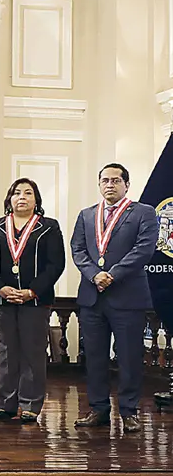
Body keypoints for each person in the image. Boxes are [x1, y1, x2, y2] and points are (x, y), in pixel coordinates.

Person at [70, 163, 159, 433]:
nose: (110, 184)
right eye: (105, 180)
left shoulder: (143, 212)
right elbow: (77, 249)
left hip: (128, 297)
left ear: (126, 185)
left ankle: (129, 412)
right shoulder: (87, 215)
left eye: (116, 180)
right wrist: (94, 274)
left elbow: (144, 249)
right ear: (99, 184)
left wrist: (113, 274)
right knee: (94, 357)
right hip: (92, 297)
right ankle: (98, 409)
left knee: (129, 358)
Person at [0, 178, 65, 424]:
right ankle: (6, 404)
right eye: (17, 193)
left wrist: (32, 291)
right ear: (10, 199)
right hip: (3, 300)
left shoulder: (48, 227)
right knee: (6, 351)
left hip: (35, 301)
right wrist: (0, 288)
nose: (22, 197)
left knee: (33, 352)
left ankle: (30, 405)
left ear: (36, 200)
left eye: (28, 193)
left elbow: (55, 264)